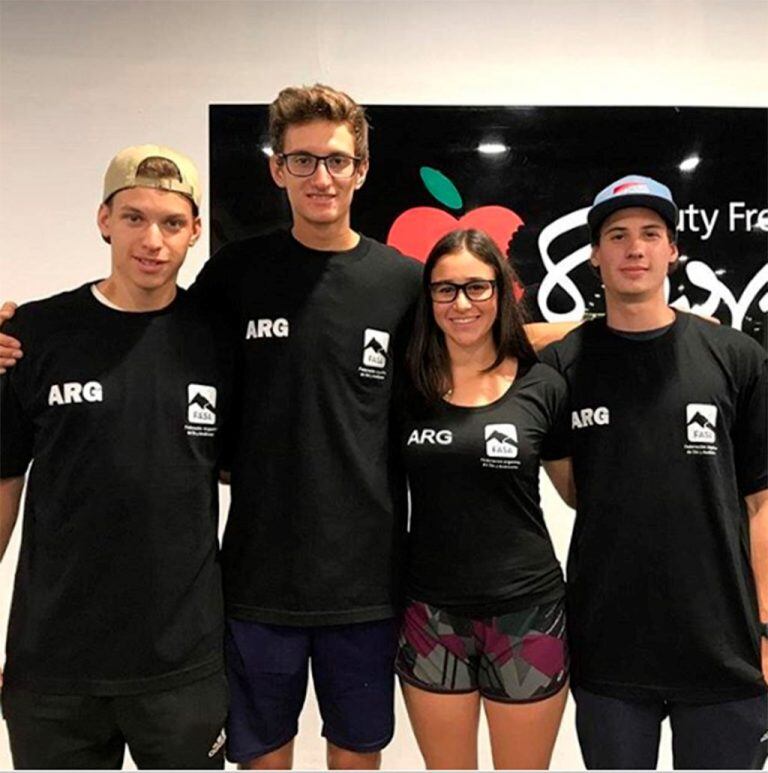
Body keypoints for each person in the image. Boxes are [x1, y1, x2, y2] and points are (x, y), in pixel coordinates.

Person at [0, 145, 230, 769]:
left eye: (172, 223)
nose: (152, 240)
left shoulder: (219, 339)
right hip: (54, 669)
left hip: (183, 666)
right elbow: (3, 489)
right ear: (104, 219)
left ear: (195, 233)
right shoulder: (32, 337)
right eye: (134, 218)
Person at [540, 174, 768, 770]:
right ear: (593, 256)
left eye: (650, 234)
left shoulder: (736, 357)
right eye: (616, 235)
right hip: (609, 646)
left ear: (673, 250)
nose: (633, 248)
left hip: (724, 647)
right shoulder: (562, 367)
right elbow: (572, 491)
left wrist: (766, 631)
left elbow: (762, 503)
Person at [395, 228, 574, 770]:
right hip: (431, 615)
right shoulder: (405, 388)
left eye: (477, 287)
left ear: (501, 291)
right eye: (445, 290)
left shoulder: (544, 387)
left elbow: (577, 494)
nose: (462, 303)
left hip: (527, 614)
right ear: (429, 299)